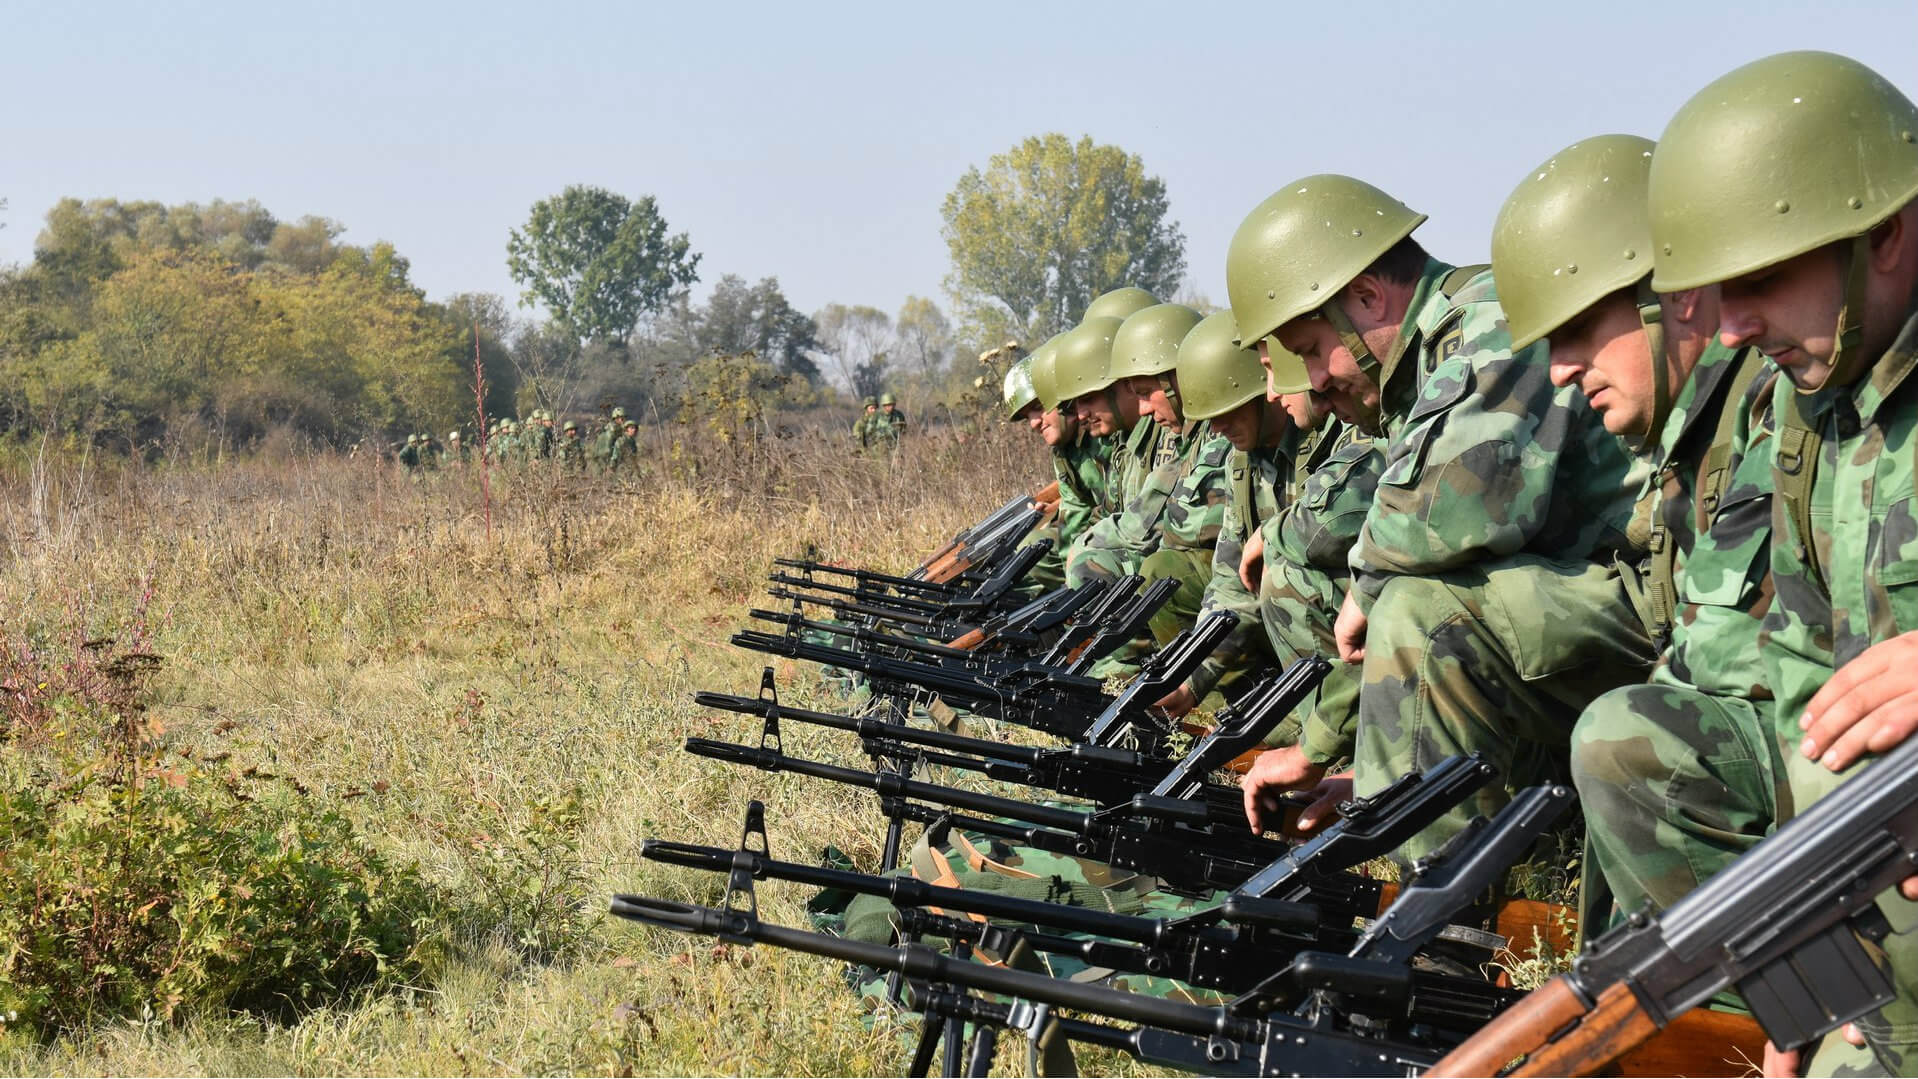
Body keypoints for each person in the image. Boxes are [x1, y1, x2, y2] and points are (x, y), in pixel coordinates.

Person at [1227, 175, 1652, 859]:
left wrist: (1364, 591)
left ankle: (1433, 931)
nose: (1312, 377)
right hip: (1592, 601)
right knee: (1418, 601)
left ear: (1367, 297)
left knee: (1422, 610)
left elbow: (1450, 507)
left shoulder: (1487, 321)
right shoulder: (1425, 362)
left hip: (1653, 596)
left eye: (1309, 349)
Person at [1635, 51, 1918, 1078]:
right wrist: (1805, 932)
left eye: (1758, 281)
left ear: (1883, 233)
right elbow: (1806, 685)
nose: (1732, 326)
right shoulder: (1808, 409)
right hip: (1890, 845)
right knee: (1634, 738)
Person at [1476, 133, 1780, 934]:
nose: (1563, 370)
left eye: (1578, 331)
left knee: (1626, 734)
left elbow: (1726, 668)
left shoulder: (1768, 404)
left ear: (1672, 296)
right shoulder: (1684, 436)